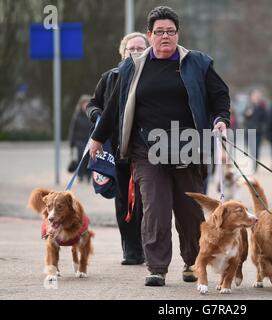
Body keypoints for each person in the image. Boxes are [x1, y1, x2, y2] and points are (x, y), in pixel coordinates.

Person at [89, 6, 230, 287]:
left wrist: (221, 119)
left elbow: (219, 95)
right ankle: (157, 267)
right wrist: (97, 136)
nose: (165, 36)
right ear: (149, 35)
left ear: (178, 34)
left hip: (187, 146)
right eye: (159, 32)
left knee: (190, 209)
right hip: (146, 149)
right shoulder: (133, 66)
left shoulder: (198, 63)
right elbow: (114, 105)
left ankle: (192, 261)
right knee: (155, 207)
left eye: (171, 31)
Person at [86, 32, 149, 265]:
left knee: (147, 200)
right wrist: (96, 115)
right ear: (122, 53)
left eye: (139, 48)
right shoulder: (110, 77)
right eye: (130, 48)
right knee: (124, 201)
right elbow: (93, 103)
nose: (134, 52)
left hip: (147, 151)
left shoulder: (152, 76)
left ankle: (146, 247)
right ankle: (131, 251)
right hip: (119, 150)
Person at [68, 94, 92, 182]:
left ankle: (89, 176)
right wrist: (72, 143)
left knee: (90, 158)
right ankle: (80, 175)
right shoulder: (77, 116)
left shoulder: (92, 115)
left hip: (89, 141)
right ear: (81, 105)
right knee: (81, 158)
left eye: (87, 103)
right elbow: (73, 130)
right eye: (84, 104)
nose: (85, 106)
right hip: (80, 142)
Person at [243, 89, 267, 172]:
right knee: (250, 148)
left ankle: (255, 164)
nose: (256, 98)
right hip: (249, 131)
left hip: (258, 131)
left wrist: (263, 127)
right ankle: (253, 162)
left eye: (257, 96)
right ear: (252, 97)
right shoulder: (249, 106)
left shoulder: (262, 107)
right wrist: (247, 114)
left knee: (256, 148)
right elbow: (244, 117)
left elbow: (265, 118)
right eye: (254, 96)